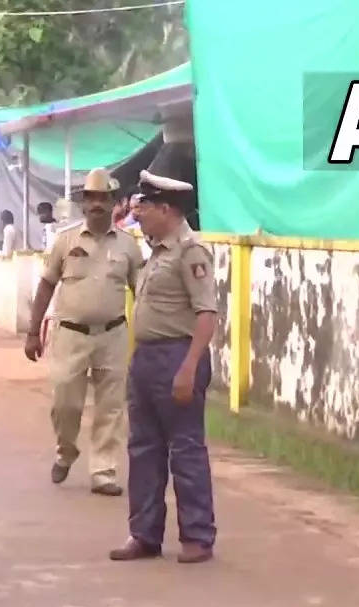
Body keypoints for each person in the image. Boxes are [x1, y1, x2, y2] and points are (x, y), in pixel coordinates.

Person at [109, 170, 218, 565]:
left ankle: (197, 536)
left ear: (167, 209)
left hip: (178, 354)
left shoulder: (190, 252)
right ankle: (144, 534)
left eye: (147, 206)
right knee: (143, 449)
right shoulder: (157, 251)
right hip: (148, 357)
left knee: (185, 449)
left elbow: (206, 313)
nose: (139, 213)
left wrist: (189, 367)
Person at [25, 168, 142, 497]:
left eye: (103, 198)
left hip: (113, 334)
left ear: (113, 202)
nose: (97, 205)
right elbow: (47, 285)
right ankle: (66, 449)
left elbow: (142, 290)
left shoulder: (129, 247)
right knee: (66, 403)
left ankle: (104, 470)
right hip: (70, 334)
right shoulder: (66, 240)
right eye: (91, 198)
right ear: (83, 203)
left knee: (111, 406)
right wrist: (33, 332)